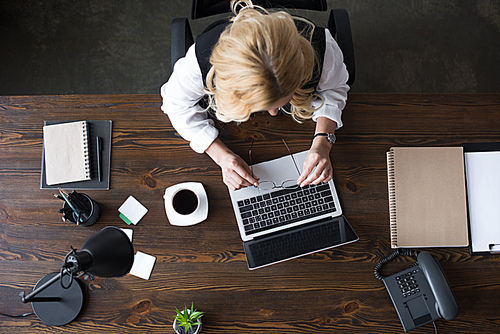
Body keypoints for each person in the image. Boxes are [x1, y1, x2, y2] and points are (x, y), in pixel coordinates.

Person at [161, 0, 349, 191]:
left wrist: (323, 142)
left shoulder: (323, 50)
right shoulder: (199, 62)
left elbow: (334, 89)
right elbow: (175, 103)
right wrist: (221, 155)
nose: (274, 113)